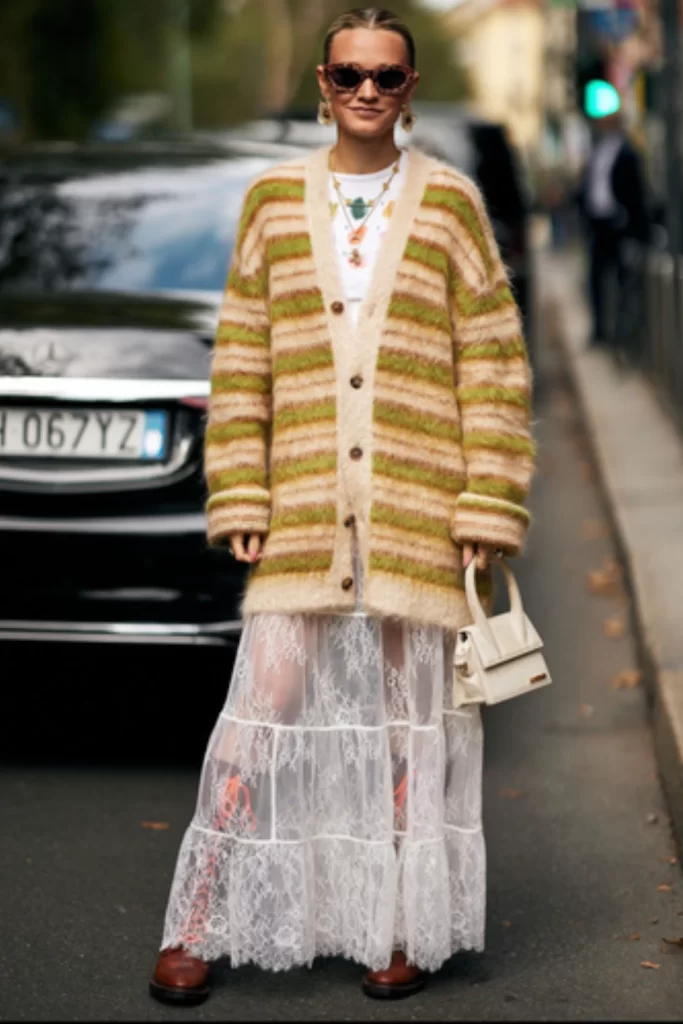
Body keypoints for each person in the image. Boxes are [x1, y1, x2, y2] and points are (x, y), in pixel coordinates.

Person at [148, 5, 535, 1007]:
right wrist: (239, 483)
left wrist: (487, 503)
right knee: (256, 717)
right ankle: (193, 923)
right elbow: (240, 355)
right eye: (350, 74)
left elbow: (492, 359)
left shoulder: (448, 203)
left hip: (418, 504)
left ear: (409, 91)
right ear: (322, 83)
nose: (368, 91)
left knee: (408, 731)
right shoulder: (272, 201)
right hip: (305, 508)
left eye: (388, 77)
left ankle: (396, 923)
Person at [577, 109, 650, 348]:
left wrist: (637, 228)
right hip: (598, 224)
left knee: (622, 278)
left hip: (619, 223)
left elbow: (637, 192)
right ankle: (600, 329)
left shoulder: (628, 152)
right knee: (596, 277)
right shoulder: (596, 151)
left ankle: (624, 333)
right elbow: (589, 184)